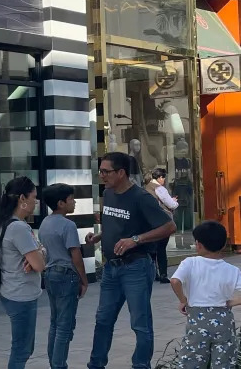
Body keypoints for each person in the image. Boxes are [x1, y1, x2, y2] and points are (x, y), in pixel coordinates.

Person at [85, 152, 177, 369]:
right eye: (100, 171)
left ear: (121, 173)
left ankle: (141, 365)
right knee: (103, 320)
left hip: (135, 266)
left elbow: (169, 226)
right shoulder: (108, 194)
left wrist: (136, 239)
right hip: (110, 269)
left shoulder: (141, 197)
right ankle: (96, 364)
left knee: (140, 323)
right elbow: (115, 220)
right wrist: (99, 237)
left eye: (106, 172)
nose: (102, 176)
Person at [170, 220, 241, 369]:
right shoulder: (232, 270)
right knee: (224, 362)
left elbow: (175, 281)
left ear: (198, 244)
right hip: (223, 319)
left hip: (197, 320)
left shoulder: (190, 263)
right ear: (223, 245)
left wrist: (183, 301)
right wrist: (230, 303)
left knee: (192, 360)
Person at [0, 176, 45, 369]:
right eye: (34, 197)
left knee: (23, 347)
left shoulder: (6, 222)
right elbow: (40, 264)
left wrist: (39, 253)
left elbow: (37, 256)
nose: (36, 202)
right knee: (22, 349)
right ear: (22, 199)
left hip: (12, 290)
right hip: (21, 294)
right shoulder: (18, 228)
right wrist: (40, 253)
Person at [38, 183, 88, 369]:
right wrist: (84, 280)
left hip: (50, 274)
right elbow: (75, 255)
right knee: (65, 326)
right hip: (67, 275)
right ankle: (59, 365)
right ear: (61, 203)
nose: (74, 202)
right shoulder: (68, 225)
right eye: (71, 199)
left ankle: (54, 363)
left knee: (55, 323)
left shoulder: (45, 222)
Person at [144, 167, 178, 283]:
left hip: (149, 222)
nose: (164, 180)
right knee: (161, 249)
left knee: (152, 248)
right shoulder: (160, 189)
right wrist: (174, 201)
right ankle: (163, 274)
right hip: (162, 221)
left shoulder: (146, 187)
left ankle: (154, 273)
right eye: (163, 178)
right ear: (159, 178)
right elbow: (172, 205)